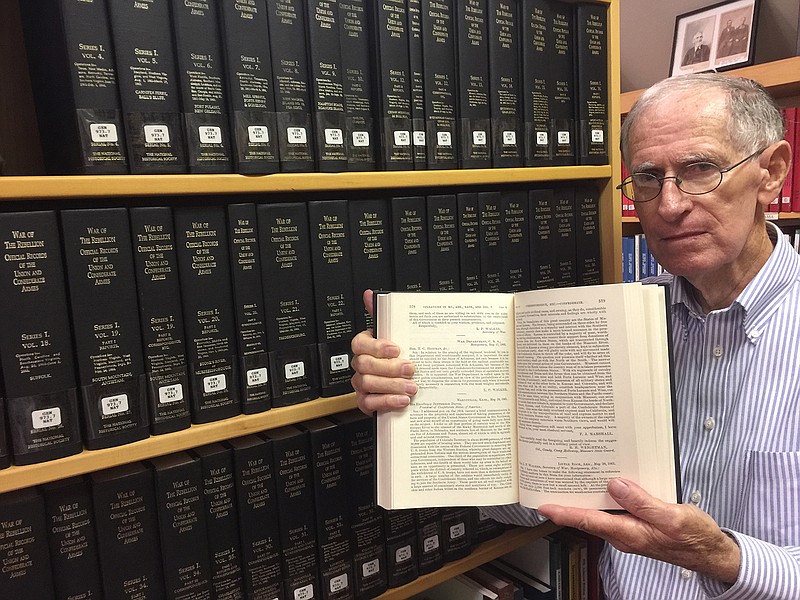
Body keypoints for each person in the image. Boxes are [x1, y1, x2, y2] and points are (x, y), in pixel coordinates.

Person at [351, 73, 799, 599]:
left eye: (701, 169)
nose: (670, 204)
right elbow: (532, 497)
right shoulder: (614, 326)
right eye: (650, 178)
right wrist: (418, 406)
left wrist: (724, 559)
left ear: (772, 173)